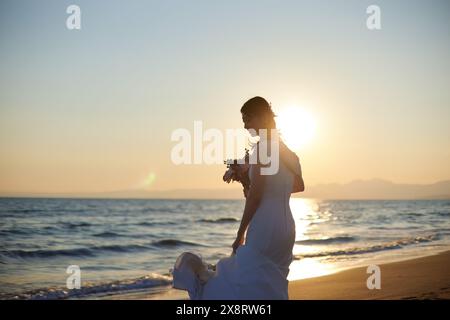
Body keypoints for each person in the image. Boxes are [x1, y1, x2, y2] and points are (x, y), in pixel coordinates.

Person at [172, 96, 305, 299]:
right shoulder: (288, 153)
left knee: (247, 283)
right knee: (270, 282)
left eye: (247, 119)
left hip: (265, 226)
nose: (245, 125)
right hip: (286, 230)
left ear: (261, 117)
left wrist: (240, 233)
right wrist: (248, 180)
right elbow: (298, 186)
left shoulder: (262, 149)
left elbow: (256, 196)